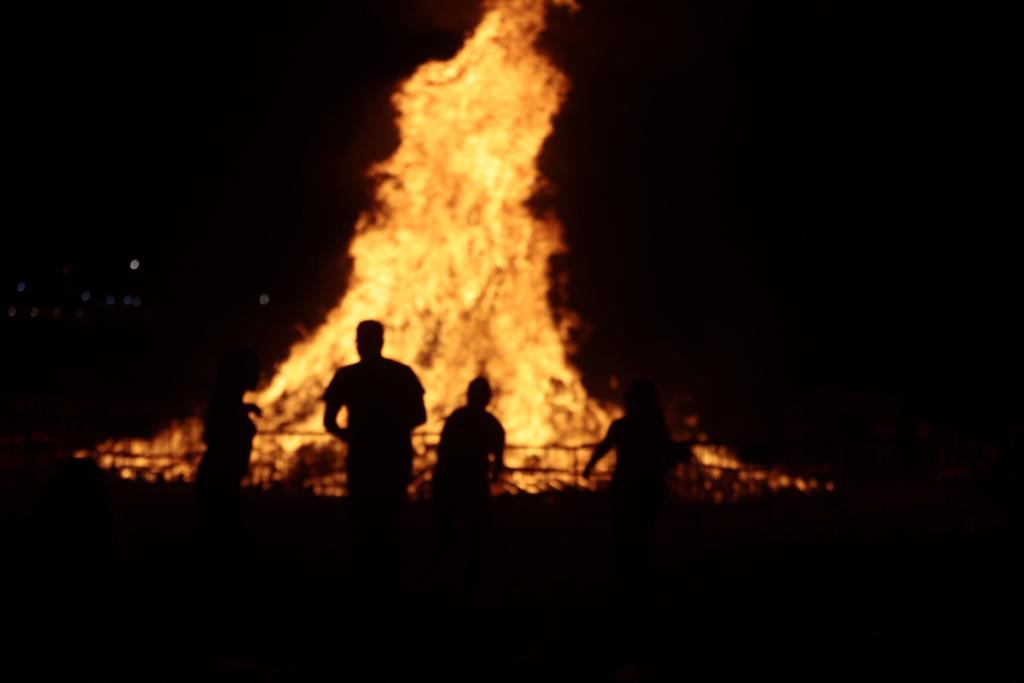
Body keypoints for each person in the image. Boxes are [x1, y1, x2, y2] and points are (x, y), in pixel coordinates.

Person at [323, 320, 427, 591]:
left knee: (366, 516)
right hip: (391, 455)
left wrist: (355, 435)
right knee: (387, 516)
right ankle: (385, 579)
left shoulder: (347, 376)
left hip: (366, 456)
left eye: (362, 340)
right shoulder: (402, 374)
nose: (361, 345)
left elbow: (329, 421)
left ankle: (367, 578)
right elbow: (420, 415)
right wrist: (394, 429)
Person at [583, 379, 674, 586]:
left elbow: (603, 447)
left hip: (628, 485)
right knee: (641, 531)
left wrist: (590, 466)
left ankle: (626, 574)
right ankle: (636, 573)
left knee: (625, 531)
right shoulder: (656, 427)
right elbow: (668, 453)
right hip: (646, 486)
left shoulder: (624, 426)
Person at [433, 377, 505, 591]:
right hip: (474, 482)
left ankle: (444, 578)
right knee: (477, 533)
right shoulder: (492, 424)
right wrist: (493, 477)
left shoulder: (456, 418)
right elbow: (498, 463)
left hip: (448, 480)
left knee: (447, 531)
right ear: (488, 398)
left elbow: (442, 450)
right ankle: (470, 581)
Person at [196, 348, 261, 547]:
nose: (258, 375)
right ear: (241, 372)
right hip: (220, 480)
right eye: (254, 369)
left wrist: (245, 408)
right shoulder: (225, 405)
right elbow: (217, 435)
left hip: (224, 480)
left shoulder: (228, 402)